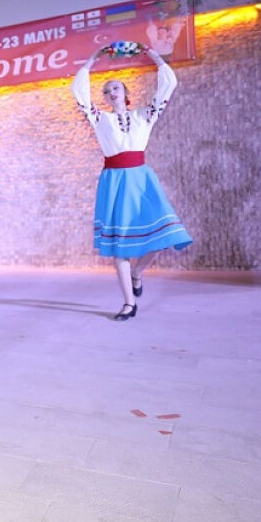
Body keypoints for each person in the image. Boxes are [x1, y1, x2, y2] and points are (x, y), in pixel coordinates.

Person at [72, 46, 193, 320]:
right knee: (120, 248)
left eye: (115, 87)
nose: (110, 92)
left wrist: (151, 53)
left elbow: (169, 85)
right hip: (114, 182)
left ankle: (138, 272)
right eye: (106, 91)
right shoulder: (100, 118)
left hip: (141, 180)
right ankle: (129, 303)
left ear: (126, 92)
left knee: (163, 237)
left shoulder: (144, 115)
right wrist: (92, 59)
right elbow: (78, 92)